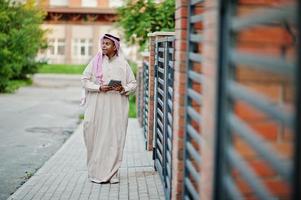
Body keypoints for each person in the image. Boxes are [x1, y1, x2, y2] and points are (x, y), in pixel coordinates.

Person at [80, 34, 137, 184]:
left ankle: (113, 173)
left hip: (116, 108)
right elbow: (84, 80)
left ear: (115, 46)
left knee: (114, 139)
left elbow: (133, 84)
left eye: (107, 44)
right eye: (103, 43)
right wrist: (98, 87)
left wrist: (122, 88)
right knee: (95, 137)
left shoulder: (123, 63)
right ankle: (96, 171)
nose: (104, 46)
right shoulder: (95, 61)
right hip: (97, 107)